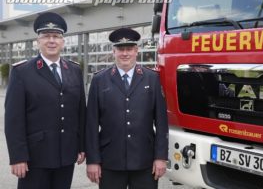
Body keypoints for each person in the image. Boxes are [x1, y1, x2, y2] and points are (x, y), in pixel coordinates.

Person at [4, 12, 86, 189]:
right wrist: (18, 157)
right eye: (46, 36)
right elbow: (14, 119)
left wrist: (81, 146)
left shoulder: (74, 71)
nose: (51, 40)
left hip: (66, 155)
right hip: (35, 158)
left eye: (56, 36)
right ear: (38, 41)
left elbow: (80, 113)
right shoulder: (22, 72)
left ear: (63, 41)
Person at [85, 27, 169, 189]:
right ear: (113, 51)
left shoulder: (152, 79)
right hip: (110, 161)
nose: (125, 53)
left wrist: (160, 157)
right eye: (120, 49)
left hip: (144, 161)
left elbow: (161, 121)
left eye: (129, 49)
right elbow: (91, 124)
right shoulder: (99, 80)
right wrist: (93, 160)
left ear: (136, 51)